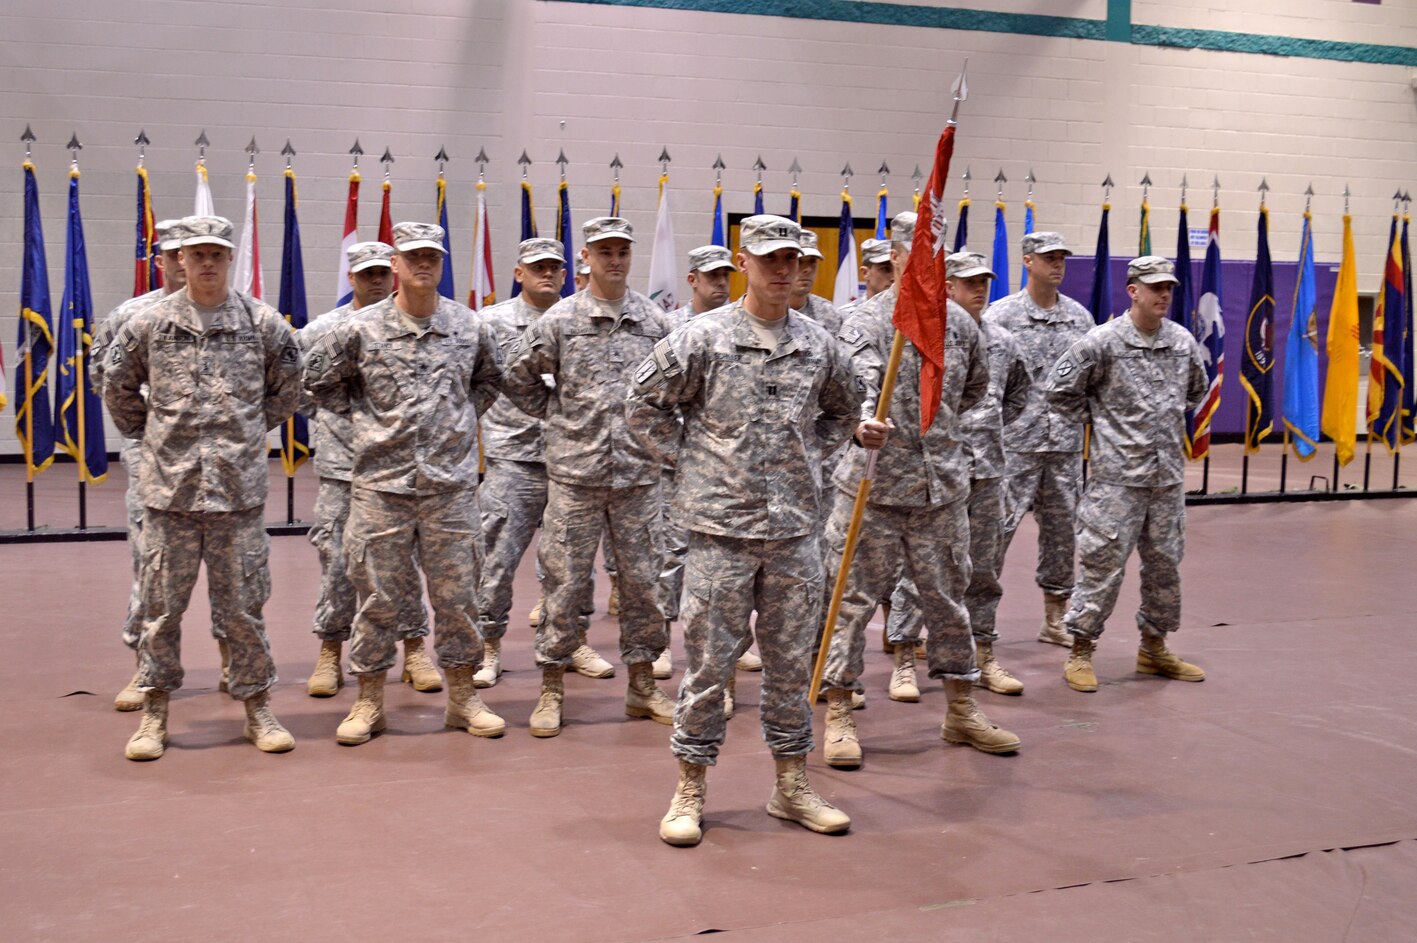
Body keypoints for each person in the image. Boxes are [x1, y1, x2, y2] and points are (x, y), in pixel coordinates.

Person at [627, 214, 865, 846]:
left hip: (794, 533)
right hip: (720, 532)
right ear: (744, 262)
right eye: (770, 259)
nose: (783, 270)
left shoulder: (820, 344)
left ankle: (792, 785)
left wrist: (811, 458)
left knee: (791, 665)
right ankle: (690, 786)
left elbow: (846, 410)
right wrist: (690, 464)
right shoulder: (702, 339)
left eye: (793, 259)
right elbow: (642, 406)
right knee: (710, 667)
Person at [819, 219, 1019, 770]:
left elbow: (973, 390)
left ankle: (961, 708)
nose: (928, 260)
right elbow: (848, 393)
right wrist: (863, 423)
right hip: (874, 488)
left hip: (941, 490)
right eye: (918, 249)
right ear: (896, 254)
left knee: (949, 602)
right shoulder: (863, 322)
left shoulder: (960, 324)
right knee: (850, 603)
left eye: (938, 249)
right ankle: (840, 709)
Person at [104, 215, 301, 760]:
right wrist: (156, 438)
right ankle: (155, 713)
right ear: (180, 259)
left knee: (243, 610)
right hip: (169, 495)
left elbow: (288, 390)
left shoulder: (262, 323)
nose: (207, 263)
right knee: (161, 611)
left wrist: (243, 432)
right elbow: (117, 388)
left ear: (229, 258)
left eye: (216, 254)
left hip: (237, 497)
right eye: (197, 254)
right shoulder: (148, 324)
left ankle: (257, 707)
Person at [304, 221, 506, 744]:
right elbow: (319, 382)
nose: (423, 265)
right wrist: (369, 423)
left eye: (431, 257)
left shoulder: (469, 326)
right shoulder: (358, 328)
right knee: (377, 598)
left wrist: (455, 422)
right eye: (413, 257)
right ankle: (369, 700)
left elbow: (489, 380)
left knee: (459, 598)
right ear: (395, 264)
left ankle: (463, 699)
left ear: (441, 264)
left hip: (450, 488)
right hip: (381, 487)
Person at [501, 217, 675, 738]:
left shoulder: (654, 322)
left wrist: (656, 435)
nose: (614, 260)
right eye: (604, 252)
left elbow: (677, 387)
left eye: (622, 251)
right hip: (576, 476)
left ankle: (642, 685)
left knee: (644, 584)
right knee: (565, 584)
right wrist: (559, 416)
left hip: (638, 478)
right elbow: (517, 375)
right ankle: (552, 687)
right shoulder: (561, 318)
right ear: (587, 257)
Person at [1046, 256, 1208, 692]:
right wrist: (1101, 421)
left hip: (1166, 479)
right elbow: (1058, 390)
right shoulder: (1102, 342)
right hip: (1116, 482)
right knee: (1102, 567)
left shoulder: (1181, 341)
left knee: (1165, 567)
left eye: (1168, 288)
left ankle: (1154, 647)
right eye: (1155, 287)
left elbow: (1195, 390)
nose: (1164, 294)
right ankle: (1081, 650)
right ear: (1133, 290)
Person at [883, 251, 1030, 697]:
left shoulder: (1002, 340)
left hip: (986, 472)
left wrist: (987, 432)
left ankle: (983, 654)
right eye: (970, 282)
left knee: (983, 570)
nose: (980, 290)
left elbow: (1017, 394)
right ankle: (904, 657)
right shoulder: (923, 335)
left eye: (984, 282)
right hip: (937, 474)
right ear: (947, 287)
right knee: (920, 571)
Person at [297, 241, 440, 697]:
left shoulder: (415, 323)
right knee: (339, 563)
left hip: (400, 471)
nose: (376, 281)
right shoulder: (326, 330)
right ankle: (330, 651)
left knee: (404, 564)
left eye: (381, 273)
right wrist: (348, 417)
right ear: (351, 278)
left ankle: (414, 648)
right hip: (343, 470)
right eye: (366, 274)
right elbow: (300, 386)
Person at [474, 237, 616, 688]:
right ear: (519, 273)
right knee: (497, 559)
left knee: (573, 564)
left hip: (573, 460)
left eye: (555, 267)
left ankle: (573, 641)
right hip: (515, 459)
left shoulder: (582, 317)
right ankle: (487, 647)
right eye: (538, 267)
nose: (547, 274)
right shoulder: (491, 323)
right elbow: (475, 380)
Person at [93, 218, 195, 712]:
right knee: (151, 561)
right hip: (152, 457)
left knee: (234, 571)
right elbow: (106, 379)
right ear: (160, 260)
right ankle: (146, 667)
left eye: (188, 253)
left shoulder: (237, 317)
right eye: (172, 254)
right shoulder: (131, 316)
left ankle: (233, 661)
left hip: (221, 462)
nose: (181, 262)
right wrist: (145, 431)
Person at [983, 232, 1095, 646]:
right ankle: (978, 620)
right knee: (996, 531)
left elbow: (1091, 378)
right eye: (1049, 258)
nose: (1058, 265)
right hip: (1014, 444)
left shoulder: (1079, 318)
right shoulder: (1001, 316)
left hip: (1063, 445)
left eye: (1062, 258)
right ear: (1028, 261)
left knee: (1063, 533)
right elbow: (984, 382)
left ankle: (1055, 617)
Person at [788, 230, 843, 334]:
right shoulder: (764, 312)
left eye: (812, 261)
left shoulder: (830, 313)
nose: (808, 269)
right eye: (799, 261)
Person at [669, 245, 736, 326]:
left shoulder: (741, 321)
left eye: (726, 275)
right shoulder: (670, 325)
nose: (723, 282)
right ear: (692, 280)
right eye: (713, 275)